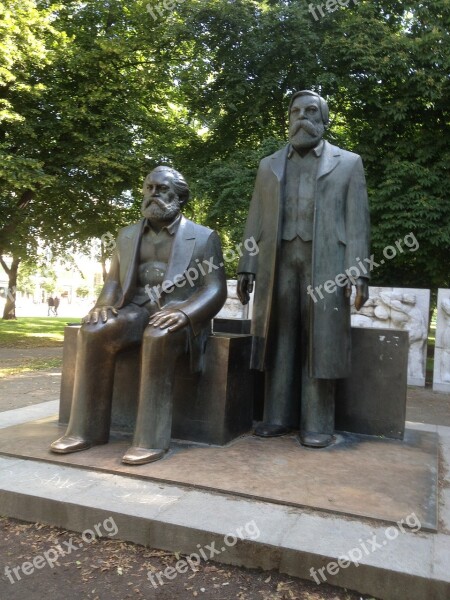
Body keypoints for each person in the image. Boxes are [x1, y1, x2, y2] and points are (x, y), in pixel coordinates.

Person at [50, 166, 227, 464]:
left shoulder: (204, 236)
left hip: (176, 312)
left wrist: (184, 313)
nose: (153, 194)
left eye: (162, 189)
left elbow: (214, 290)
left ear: (180, 197)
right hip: (135, 309)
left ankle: (151, 439)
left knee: (157, 336)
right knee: (94, 330)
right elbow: (114, 282)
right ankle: (86, 430)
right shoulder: (127, 235)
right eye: (149, 188)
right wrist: (102, 305)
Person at [237, 90, 370, 448]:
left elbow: (357, 221)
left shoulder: (348, 163)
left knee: (321, 340)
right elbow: (256, 219)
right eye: (295, 111)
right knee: (278, 337)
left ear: (325, 120)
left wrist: (360, 271)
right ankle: (277, 416)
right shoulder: (269, 165)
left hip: (328, 263)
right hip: (277, 261)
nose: (302, 117)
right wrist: (247, 265)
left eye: (311, 111)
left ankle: (318, 422)